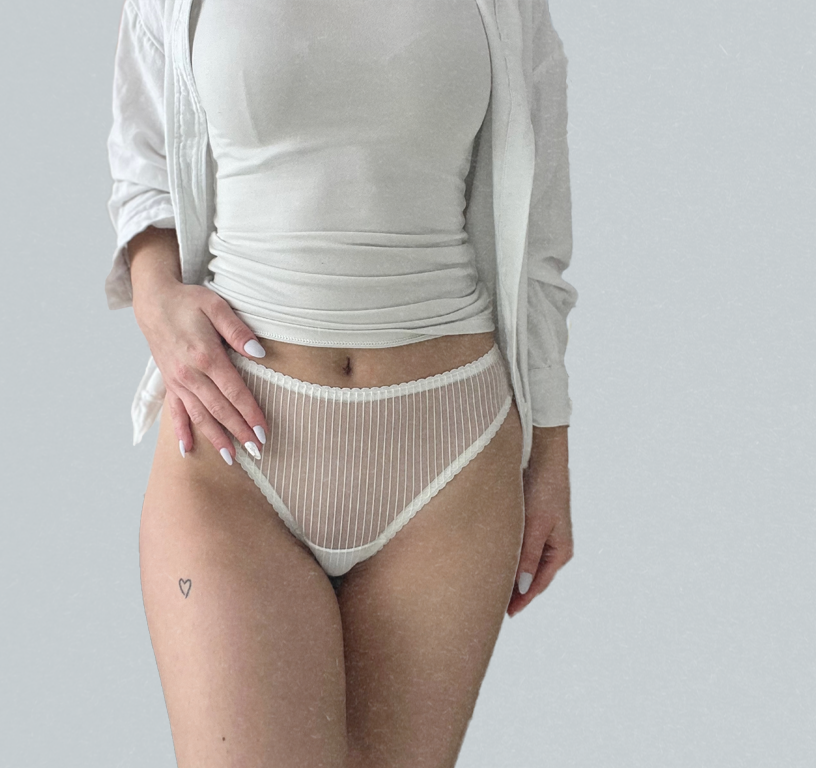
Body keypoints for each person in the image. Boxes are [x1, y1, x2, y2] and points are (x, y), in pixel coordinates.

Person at [103, 0, 579, 764]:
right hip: (235, 452)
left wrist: (550, 453)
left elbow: (541, 228)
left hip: (451, 456)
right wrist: (156, 299)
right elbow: (143, 165)